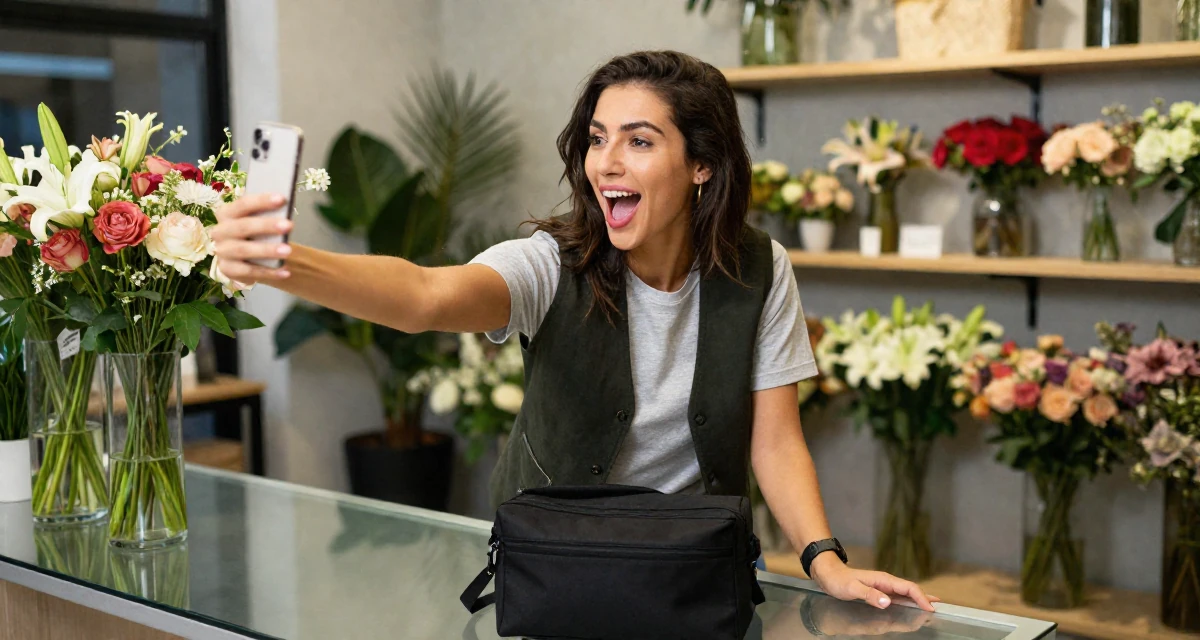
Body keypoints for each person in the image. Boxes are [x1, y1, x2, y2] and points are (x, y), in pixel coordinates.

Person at [211, 50, 937, 613]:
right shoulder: (547, 265)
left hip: (701, 569)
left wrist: (824, 560)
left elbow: (774, 440)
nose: (606, 163)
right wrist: (286, 263)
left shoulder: (758, 267)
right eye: (596, 139)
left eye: (639, 141)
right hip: (559, 567)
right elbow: (427, 296)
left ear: (703, 167)